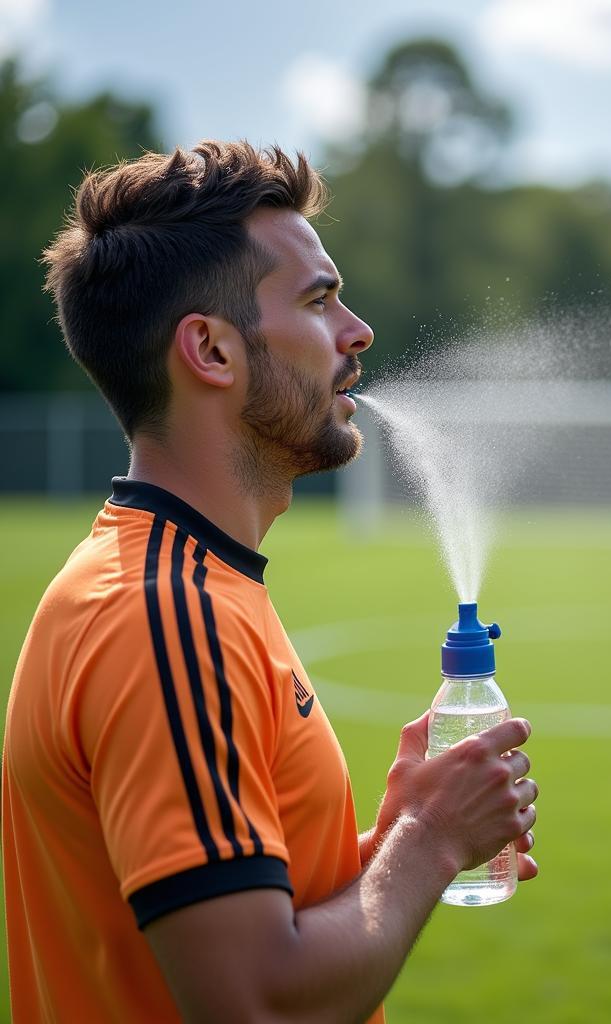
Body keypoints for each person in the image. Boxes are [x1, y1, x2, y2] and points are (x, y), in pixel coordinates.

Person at [2, 140, 538, 1023]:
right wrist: (433, 840)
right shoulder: (163, 616)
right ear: (211, 350)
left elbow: (253, 929)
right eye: (320, 300)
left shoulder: (197, 583)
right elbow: (254, 1002)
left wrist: (392, 840)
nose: (357, 330)